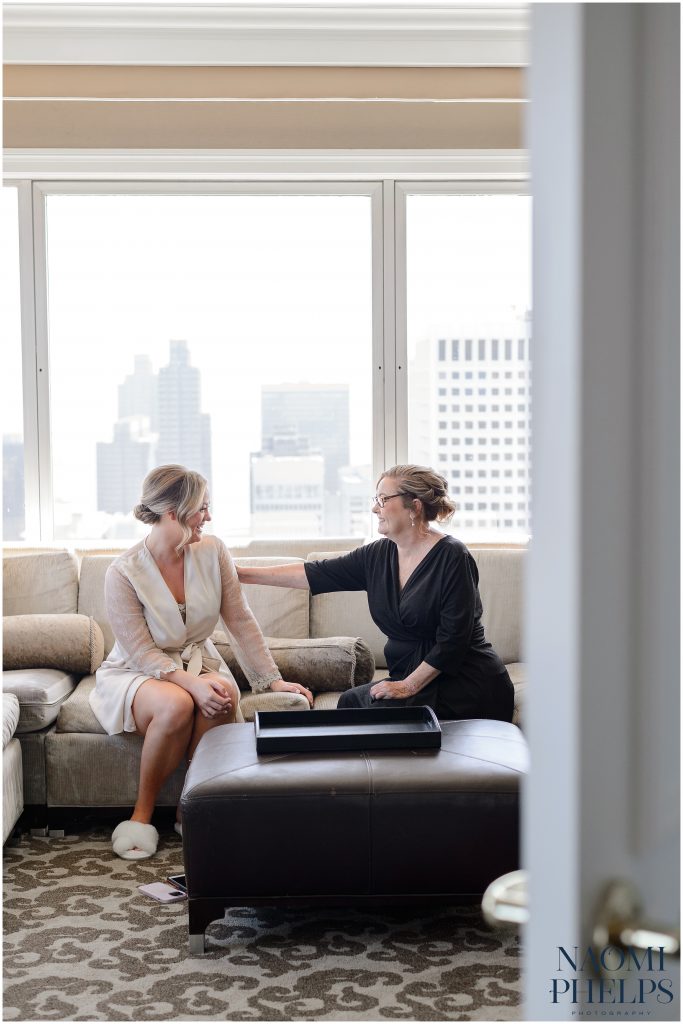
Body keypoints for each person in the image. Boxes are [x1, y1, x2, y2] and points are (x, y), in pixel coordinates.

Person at [91, 464, 312, 860]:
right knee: (176, 703)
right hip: (137, 669)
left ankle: (187, 810)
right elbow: (142, 652)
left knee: (224, 692)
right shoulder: (122, 572)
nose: (208, 517)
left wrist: (271, 680)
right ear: (173, 513)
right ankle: (141, 815)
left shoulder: (213, 551)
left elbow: (240, 620)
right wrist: (190, 685)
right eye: (202, 509)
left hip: (196, 660)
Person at [237, 464, 514, 723]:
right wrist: (239, 574)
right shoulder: (378, 555)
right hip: (410, 677)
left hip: (464, 683)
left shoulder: (452, 556)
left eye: (382, 500)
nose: (374, 508)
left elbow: (454, 640)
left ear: (414, 507)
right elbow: (313, 573)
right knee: (351, 702)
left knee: (361, 709)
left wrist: (408, 685)